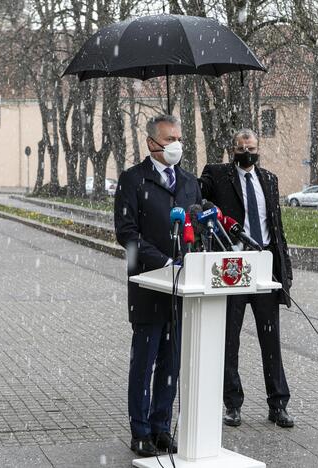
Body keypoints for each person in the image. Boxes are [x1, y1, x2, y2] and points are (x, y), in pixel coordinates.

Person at [114, 115, 202, 457]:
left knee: (171, 362)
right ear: (152, 143)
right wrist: (164, 261)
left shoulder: (190, 183)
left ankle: (162, 427)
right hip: (149, 285)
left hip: (183, 288)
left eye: (179, 137)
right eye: (170, 139)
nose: (177, 144)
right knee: (145, 361)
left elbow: (195, 226)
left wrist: (191, 257)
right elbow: (127, 233)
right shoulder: (133, 180)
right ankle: (141, 431)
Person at [199, 128, 294, 428]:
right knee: (230, 338)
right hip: (234, 266)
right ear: (232, 150)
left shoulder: (269, 179)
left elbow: (276, 226)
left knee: (271, 339)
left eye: (251, 148)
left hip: (265, 263)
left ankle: (278, 404)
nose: (246, 153)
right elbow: (196, 197)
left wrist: (285, 270)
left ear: (259, 149)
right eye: (241, 148)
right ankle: (232, 404)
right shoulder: (217, 175)